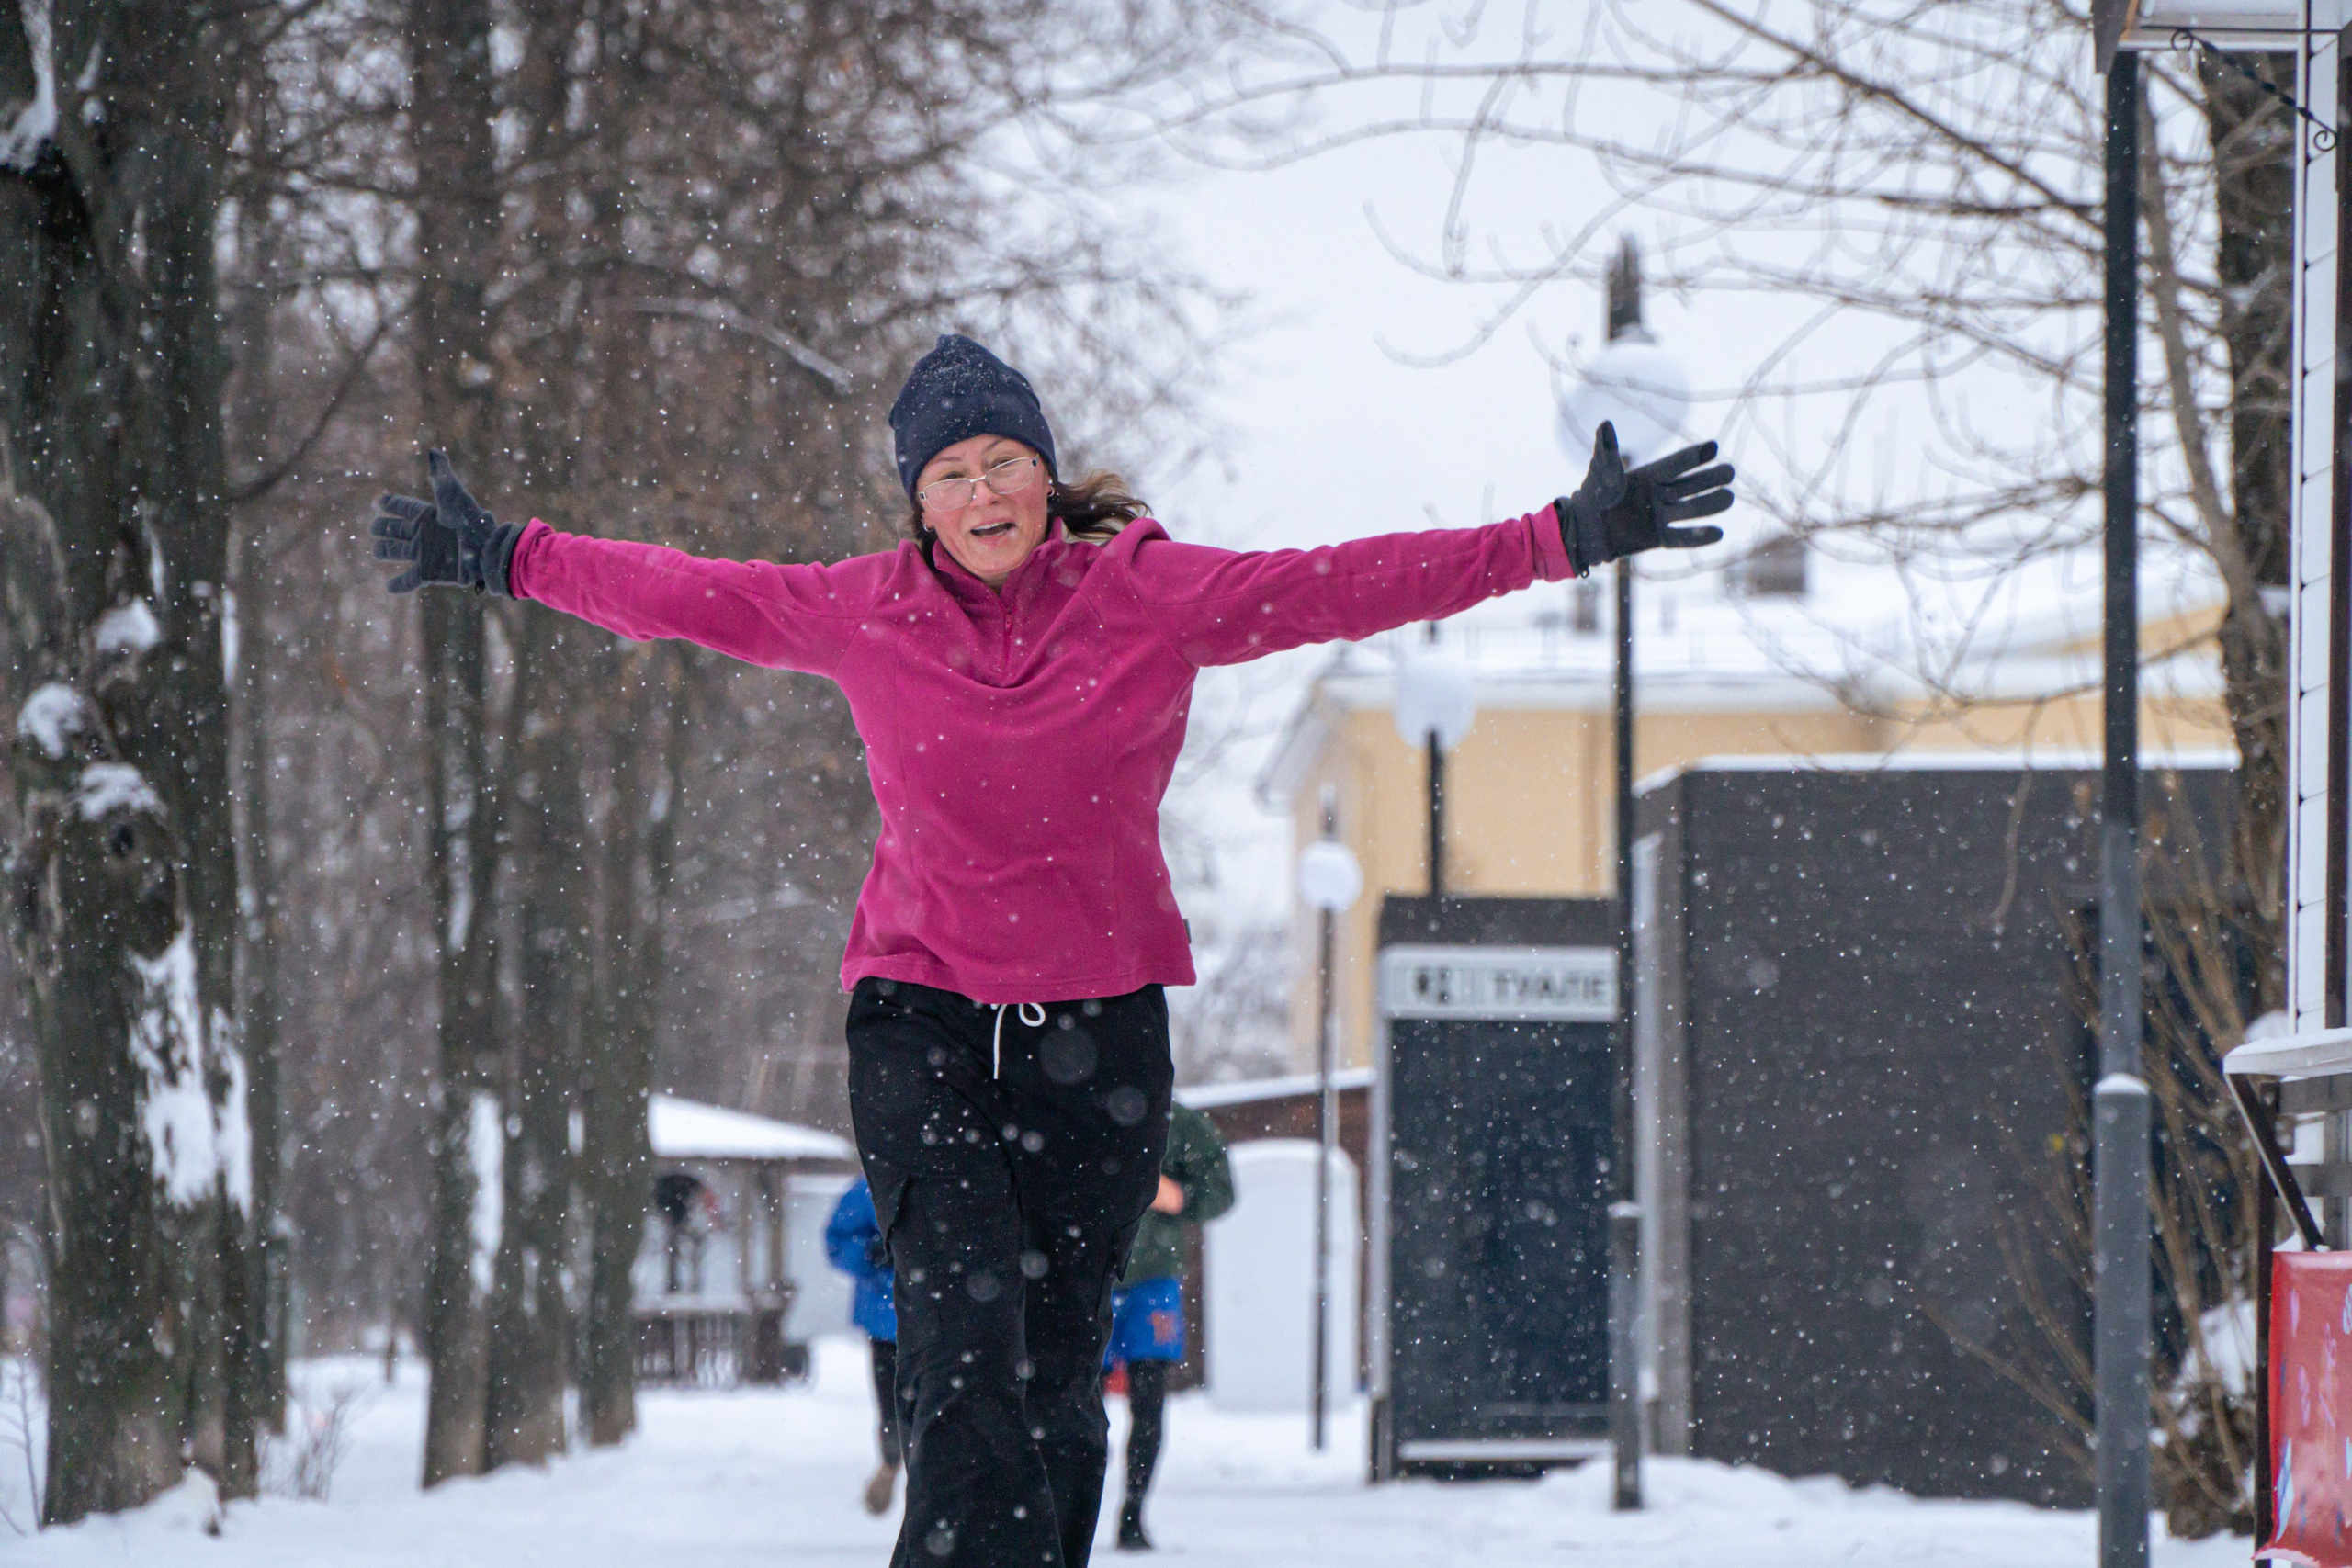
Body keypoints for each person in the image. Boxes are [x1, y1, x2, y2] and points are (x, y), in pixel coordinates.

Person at [367, 333, 1731, 1568]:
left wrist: (1558, 537)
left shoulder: (1145, 595)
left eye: (1005, 460)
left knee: (1056, 1380)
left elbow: (1342, 583)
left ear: (1047, 473)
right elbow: (686, 594)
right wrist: (507, 554)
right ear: (919, 499)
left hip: (1100, 1036)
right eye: (950, 471)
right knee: (962, 1358)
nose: (982, 491)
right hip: (922, 1020)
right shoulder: (866, 609)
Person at [1104, 1100, 1231, 1552]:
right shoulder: (1071, 1101)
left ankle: (1133, 1513)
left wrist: (1179, 1197)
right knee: (1068, 1400)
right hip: (1082, 1275)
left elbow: (1220, 1188)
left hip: (1151, 1282)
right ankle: (1063, 1507)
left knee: (1148, 1402)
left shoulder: (1176, 1120)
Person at [826, 1177, 905, 1517]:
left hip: (941, 1323)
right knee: (892, 1408)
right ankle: (891, 1464)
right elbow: (836, 1241)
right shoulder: (869, 1188)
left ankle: (919, 1478)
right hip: (887, 1322)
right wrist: (873, 1253)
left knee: (936, 1408)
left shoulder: (955, 1175)